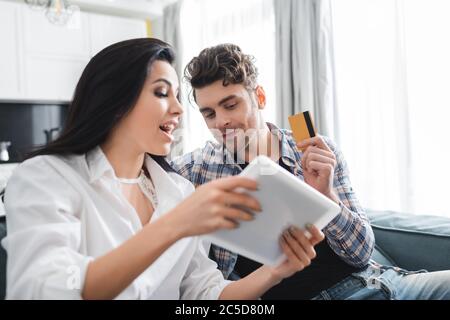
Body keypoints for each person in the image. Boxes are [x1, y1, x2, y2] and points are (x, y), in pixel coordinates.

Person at [0, 38, 324, 300]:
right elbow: (45, 290)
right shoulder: (47, 178)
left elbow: (205, 293)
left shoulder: (177, 191)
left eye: (179, 97)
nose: (180, 109)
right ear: (115, 101)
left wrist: (276, 270)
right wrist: (175, 225)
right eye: (161, 92)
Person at [171, 43, 450, 300]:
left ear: (260, 96)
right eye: (209, 113)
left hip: (372, 285)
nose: (221, 121)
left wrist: (326, 196)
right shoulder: (195, 169)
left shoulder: (315, 149)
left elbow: (362, 253)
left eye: (231, 105)